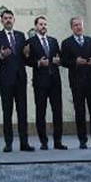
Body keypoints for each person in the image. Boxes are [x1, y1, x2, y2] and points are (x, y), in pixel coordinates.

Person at [0, 10, 34, 152]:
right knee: (7, 112)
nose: (8, 20)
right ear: (1, 21)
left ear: (14, 20)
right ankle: (8, 143)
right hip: (5, 79)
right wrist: (1, 55)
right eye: (5, 18)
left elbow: (26, 57)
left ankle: (24, 143)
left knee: (22, 112)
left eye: (10, 18)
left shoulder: (21, 35)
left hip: (20, 78)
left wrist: (27, 54)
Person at [60, 17, 91, 149]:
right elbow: (63, 61)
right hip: (76, 82)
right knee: (80, 112)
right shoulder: (66, 43)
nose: (78, 27)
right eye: (75, 25)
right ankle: (82, 140)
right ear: (71, 28)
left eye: (80, 25)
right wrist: (75, 62)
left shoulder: (90, 41)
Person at [25, 16, 66, 150]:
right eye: (41, 24)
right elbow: (26, 60)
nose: (43, 27)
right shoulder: (30, 42)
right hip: (40, 82)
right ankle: (44, 141)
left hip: (55, 81)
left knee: (57, 111)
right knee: (41, 112)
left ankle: (58, 141)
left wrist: (59, 61)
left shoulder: (53, 41)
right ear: (36, 26)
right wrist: (38, 63)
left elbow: (60, 58)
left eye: (45, 24)